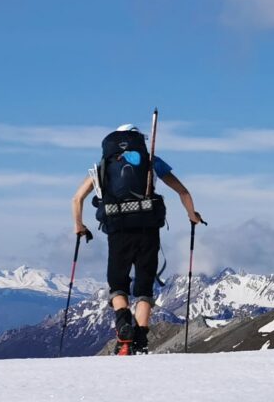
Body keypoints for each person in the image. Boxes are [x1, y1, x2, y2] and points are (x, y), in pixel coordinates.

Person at [71, 123, 203, 355]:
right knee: (144, 287)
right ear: (139, 139)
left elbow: (77, 199)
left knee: (118, 284)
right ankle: (140, 340)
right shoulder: (151, 161)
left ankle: (123, 326)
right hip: (148, 228)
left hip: (117, 228)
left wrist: (79, 226)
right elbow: (183, 192)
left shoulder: (102, 166)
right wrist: (192, 216)